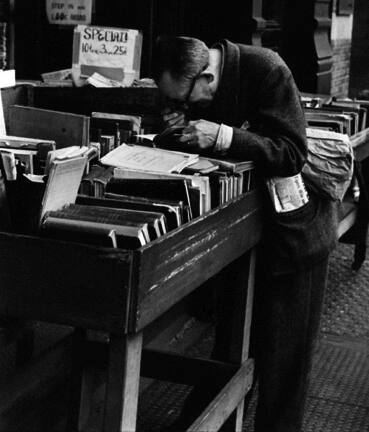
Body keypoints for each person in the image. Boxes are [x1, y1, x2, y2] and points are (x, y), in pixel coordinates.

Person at [152, 35, 338, 432]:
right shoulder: (198, 87)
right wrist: (173, 127)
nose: (182, 106)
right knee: (233, 346)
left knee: (286, 362)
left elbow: (291, 153)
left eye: (184, 99)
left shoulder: (268, 69)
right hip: (243, 230)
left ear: (206, 77)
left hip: (296, 233)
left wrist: (222, 135)